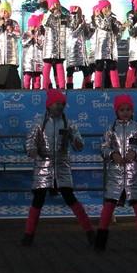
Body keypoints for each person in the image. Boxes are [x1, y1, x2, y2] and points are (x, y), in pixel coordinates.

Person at [20, 89, 95, 246]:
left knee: (70, 198)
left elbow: (79, 145)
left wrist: (75, 141)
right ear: (48, 105)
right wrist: (32, 151)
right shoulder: (39, 123)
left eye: (62, 104)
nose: (60, 106)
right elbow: (30, 141)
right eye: (56, 103)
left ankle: (90, 233)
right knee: (38, 200)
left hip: (62, 167)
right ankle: (28, 235)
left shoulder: (69, 123)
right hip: (43, 167)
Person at [95, 94, 137, 252]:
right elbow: (103, 147)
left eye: (128, 109)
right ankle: (100, 241)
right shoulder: (111, 128)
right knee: (109, 205)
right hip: (115, 175)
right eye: (122, 110)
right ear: (116, 111)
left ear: (132, 110)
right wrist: (112, 154)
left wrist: (136, 153)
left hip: (134, 174)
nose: (125, 112)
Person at [41, 0, 69, 89]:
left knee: (59, 66)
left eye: (57, 4)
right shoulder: (48, 16)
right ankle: (44, 87)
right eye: (53, 5)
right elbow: (44, 23)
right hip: (49, 48)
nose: (56, 6)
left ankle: (62, 87)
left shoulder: (62, 18)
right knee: (47, 67)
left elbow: (68, 25)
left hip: (59, 49)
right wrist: (50, 11)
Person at [92, 0, 121, 88]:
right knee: (99, 66)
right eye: (105, 7)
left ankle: (116, 87)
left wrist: (121, 28)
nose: (107, 9)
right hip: (101, 47)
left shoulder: (113, 19)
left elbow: (117, 33)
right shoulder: (97, 18)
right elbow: (104, 26)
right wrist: (108, 17)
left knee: (112, 66)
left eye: (109, 7)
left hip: (111, 47)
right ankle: (97, 86)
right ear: (101, 9)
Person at [65, 5, 92, 89]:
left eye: (78, 12)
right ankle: (69, 91)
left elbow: (87, 36)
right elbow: (73, 34)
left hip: (81, 52)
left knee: (86, 70)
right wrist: (81, 25)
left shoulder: (82, 21)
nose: (76, 14)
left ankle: (89, 90)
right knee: (70, 71)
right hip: (72, 51)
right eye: (74, 13)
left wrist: (89, 29)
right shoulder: (68, 21)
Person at [20, 14, 43, 90]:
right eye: (31, 26)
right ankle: (26, 92)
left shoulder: (40, 35)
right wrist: (30, 38)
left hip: (37, 61)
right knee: (27, 78)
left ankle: (37, 92)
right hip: (28, 62)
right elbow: (23, 43)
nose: (33, 28)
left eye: (35, 26)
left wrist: (36, 40)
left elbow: (42, 45)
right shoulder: (26, 34)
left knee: (37, 79)